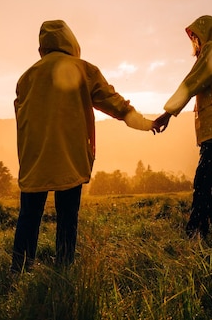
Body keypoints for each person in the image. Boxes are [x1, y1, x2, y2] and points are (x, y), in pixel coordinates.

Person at [11, 19, 157, 272]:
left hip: (34, 157)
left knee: (29, 216)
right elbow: (114, 104)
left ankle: (19, 270)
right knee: (67, 216)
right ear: (71, 41)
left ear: (42, 46)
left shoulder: (27, 77)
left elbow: (20, 117)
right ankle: (64, 270)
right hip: (70, 154)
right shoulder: (84, 69)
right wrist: (145, 124)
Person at [154, 15, 212, 239]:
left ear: (203, 35)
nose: (193, 40)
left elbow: (192, 82)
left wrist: (168, 112)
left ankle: (195, 233)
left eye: (195, 36)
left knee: (204, 184)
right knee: (210, 186)